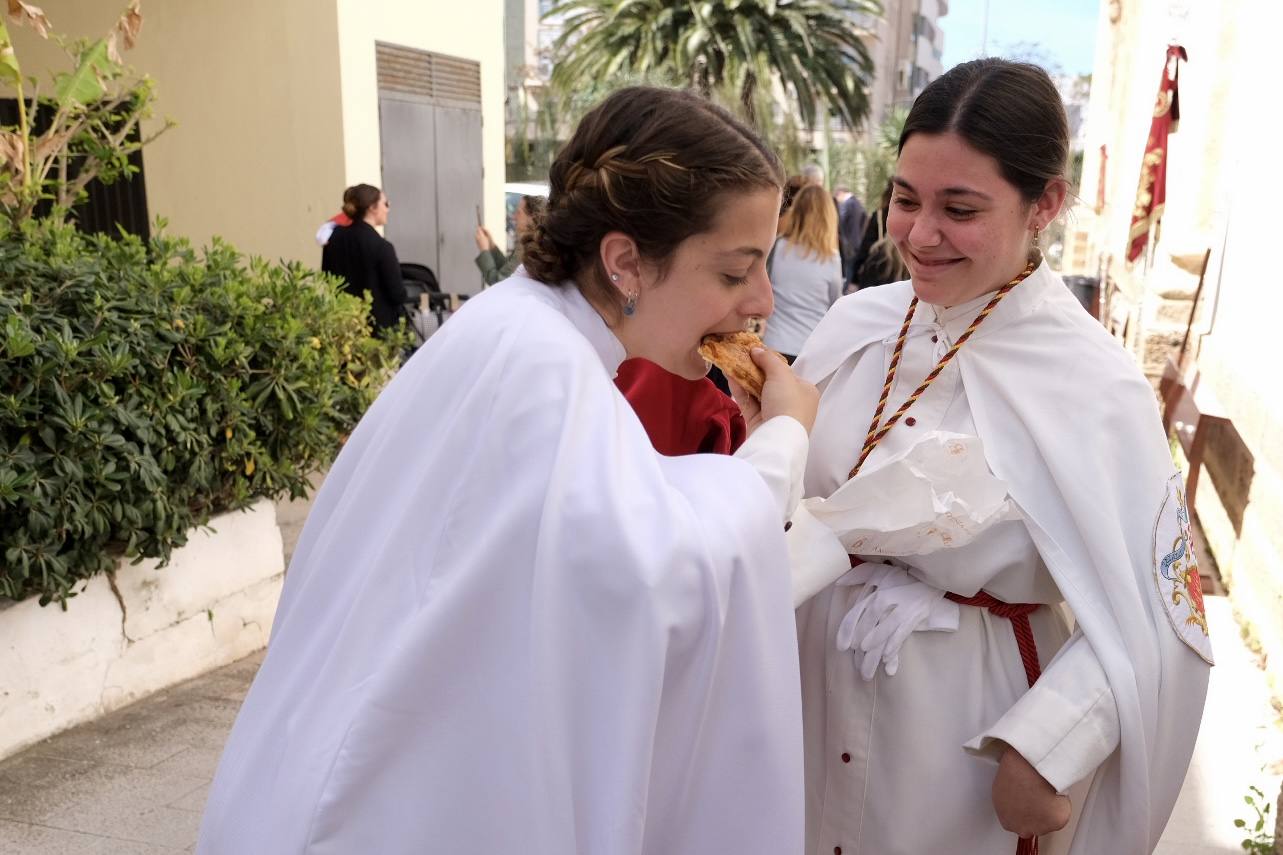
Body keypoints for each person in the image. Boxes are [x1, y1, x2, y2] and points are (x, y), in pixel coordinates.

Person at [196, 86, 824, 855]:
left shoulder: (514, 328)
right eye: (734, 272)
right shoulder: (545, 368)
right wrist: (784, 439)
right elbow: (654, 572)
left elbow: (608, 513)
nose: (759, 303)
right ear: (624, 260)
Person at [787, 59, 1211, 855]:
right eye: (905, 199)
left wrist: (1044, 748)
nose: (918, 234)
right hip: (809, 699)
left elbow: (1163, 619)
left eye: (960, 208)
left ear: (1044, 201)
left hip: (962, 738)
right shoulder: (854, 326)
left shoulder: (1094, 383)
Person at [763, 184, 844, 363]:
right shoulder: (831, 258)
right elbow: (836, 304)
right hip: (811, 347)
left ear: (796, 211)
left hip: (775, 343)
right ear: (828, 217)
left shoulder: (778, 245)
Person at [320, 184, 407, 333]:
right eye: (385, 204)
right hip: (377, 330)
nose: (388, 209)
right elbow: (397, 294)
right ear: (372, 208)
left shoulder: (334, 239)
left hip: (344, 327)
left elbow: (328, 278)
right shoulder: (382, 246)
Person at [474, 194, 545, 286]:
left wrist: (484, 251)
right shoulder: (531, 243)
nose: (514, 217)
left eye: (519, 213)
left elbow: (498, 283)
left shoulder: (528, 248)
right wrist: (492, 247)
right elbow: (506, 271)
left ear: (532, 218)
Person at [849, 179, 907, 289]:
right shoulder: (910, 216)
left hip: (881, 271)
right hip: (902, 271)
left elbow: (865, 247)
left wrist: (854, 279)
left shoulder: (879, 215)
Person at [833, 185, 867, 286]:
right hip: (858, 241)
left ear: (840, 193)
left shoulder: (847, 204)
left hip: (848, 242)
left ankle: (846, 288)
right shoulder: (858, 203)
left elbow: (840, 221)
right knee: (852, 267)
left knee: (848, 268)